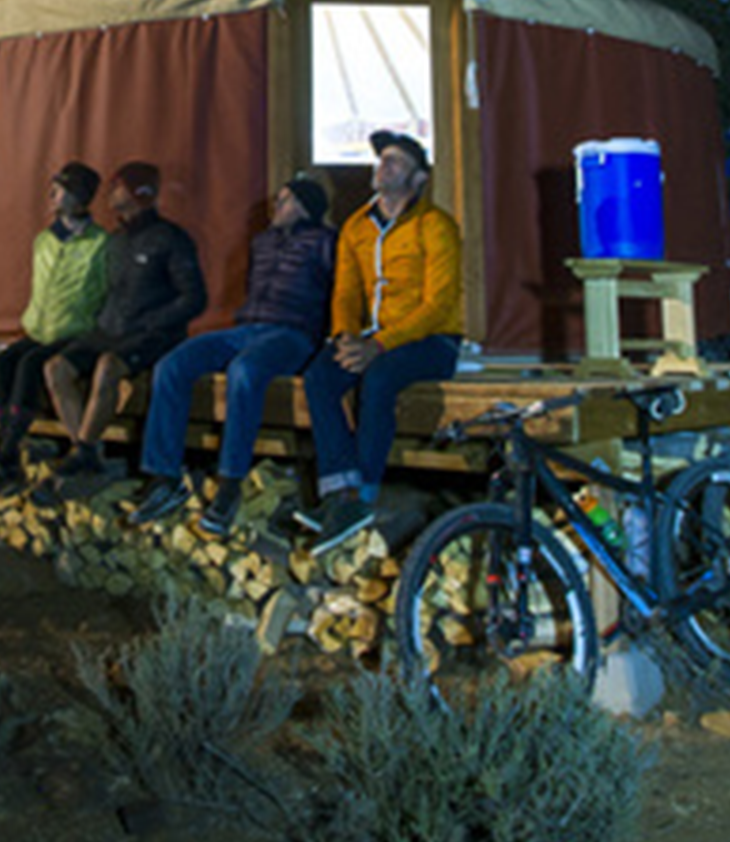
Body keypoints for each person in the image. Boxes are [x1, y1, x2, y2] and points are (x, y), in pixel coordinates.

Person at [128, 177, 335, 536]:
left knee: (245, 371)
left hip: (293, 334)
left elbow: (340, 291)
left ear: (305, 208)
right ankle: (164, 477)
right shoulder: (263, 242)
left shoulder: (326, 242)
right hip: (247, 327)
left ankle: (229, 485)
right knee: (172, 365)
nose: (276, 206)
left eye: (285, 201)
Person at [298, 129, 463, 554]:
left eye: (395, 161)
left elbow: (438, 303)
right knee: (320, 376)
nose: (383, 166)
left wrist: (380, 346)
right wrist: (344, 338)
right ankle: (340, 492)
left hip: (431, 340)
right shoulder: (356, 226)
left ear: (419, 179)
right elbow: (346, 292)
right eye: (381, 160)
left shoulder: (435, 225)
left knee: (381, 378)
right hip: (369, 339)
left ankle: (364, 494)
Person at [38, 159, 205, 490]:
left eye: (118, 186)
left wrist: (154, 320)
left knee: (107, 367)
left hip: (151, 335)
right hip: (110, 330)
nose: (110, 192)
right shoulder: (116, 241)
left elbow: (194, 298)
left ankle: (83, 451)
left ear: (138, 193)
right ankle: (86, 451)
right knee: (56, 367)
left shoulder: (170, 239)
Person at [0, 161, 109, 505]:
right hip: (39, 330)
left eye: (59, 189)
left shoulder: (100, 244)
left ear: (78, 197)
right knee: (0, 365)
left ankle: (5, 462)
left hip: (74, 331)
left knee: (30, 366)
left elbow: (107, 291)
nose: (51, 194)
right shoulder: (44, 240)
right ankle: (9, 458)